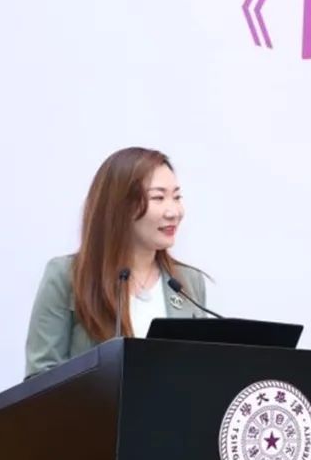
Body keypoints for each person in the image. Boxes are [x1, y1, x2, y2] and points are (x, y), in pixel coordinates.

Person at [24, 147, 208, 378]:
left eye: (177, 197)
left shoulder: (188, 282)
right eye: (158, 198)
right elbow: (40, 377)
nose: (174, 212)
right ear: (120, 206)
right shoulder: (66, 276)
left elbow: (200, 372)